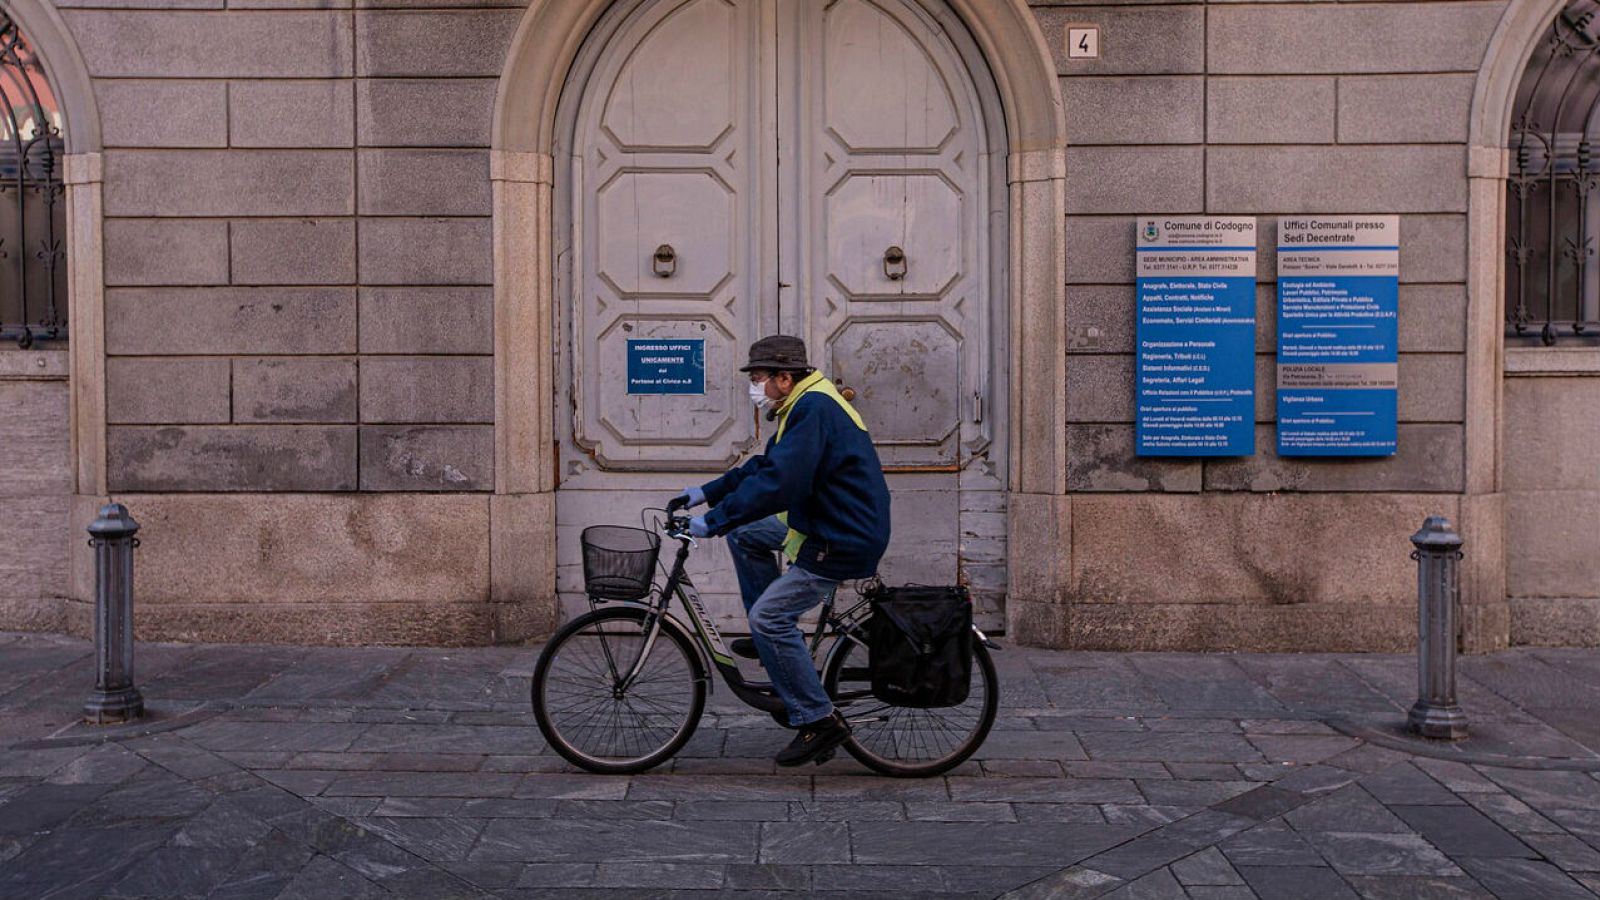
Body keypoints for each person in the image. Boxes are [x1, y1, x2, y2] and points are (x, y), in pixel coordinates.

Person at [674, 334, 891, 766]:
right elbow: (765, 466)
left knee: (768, 617)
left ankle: (818, 719)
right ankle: (771, 636)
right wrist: (706, 492)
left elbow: (779, 485)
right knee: (747, 535)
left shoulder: (813, 410)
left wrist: (712, 522)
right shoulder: (806, 403)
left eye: (759, 379)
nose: (756, 388)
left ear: (784, 378)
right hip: (826, 521)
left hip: (840, 535)